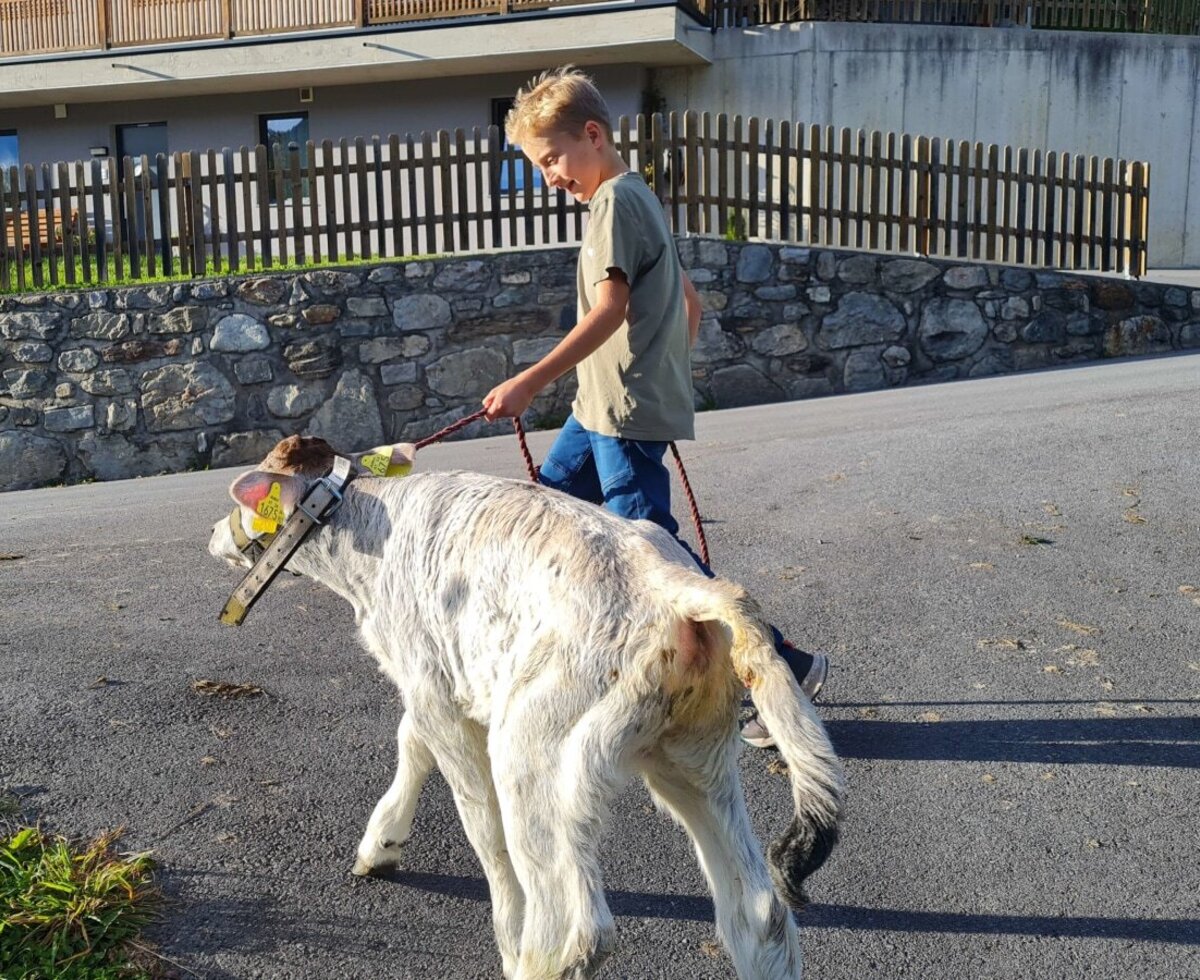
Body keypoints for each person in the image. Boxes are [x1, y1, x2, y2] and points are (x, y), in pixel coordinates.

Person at [481, 66, 826, 748]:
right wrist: (661, 369)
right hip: (601, 407)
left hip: (621, 412)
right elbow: (687, 303)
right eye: (537, 165)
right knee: (548, 507)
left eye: (551, 159)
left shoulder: (611, 205)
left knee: (656, 562)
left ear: (593, 134)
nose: (549, 176)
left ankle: (781, 666)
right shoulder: (638, 196)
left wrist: (529, 382)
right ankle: (563, 660)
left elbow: (611, 309)